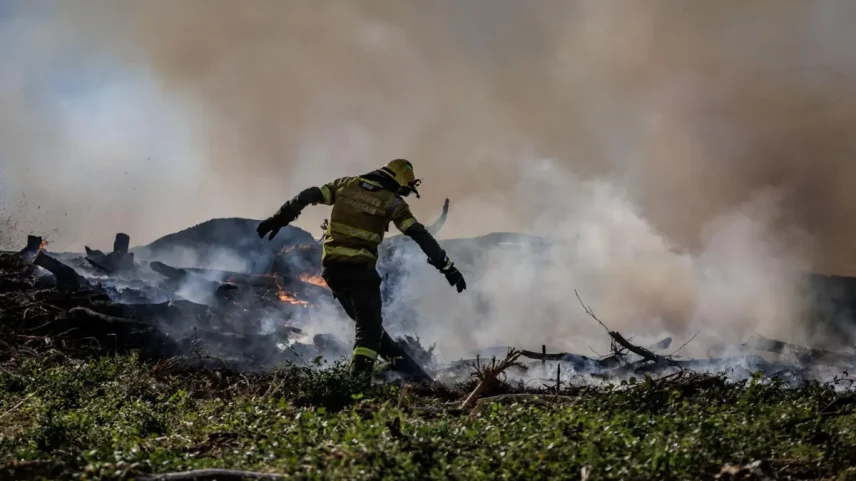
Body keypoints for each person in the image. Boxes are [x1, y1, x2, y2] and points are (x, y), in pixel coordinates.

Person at [256, 159, 466, 383]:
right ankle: (356, 384)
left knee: (373, 330)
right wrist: (447, 267)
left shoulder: (347, 184)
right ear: (399, 182)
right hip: (360, 273)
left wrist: (281, 217)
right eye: (403, 189)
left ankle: (416, 376)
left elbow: (310, 194)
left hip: (332, 271)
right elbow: (419, 234)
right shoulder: (391, 201)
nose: (402, 193)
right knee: (368, 333)